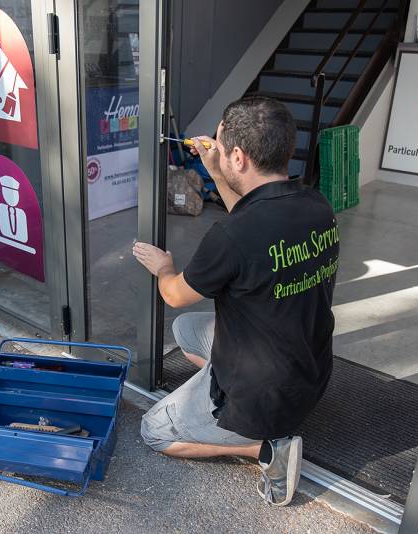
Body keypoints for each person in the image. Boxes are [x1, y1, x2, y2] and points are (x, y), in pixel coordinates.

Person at [132, 95, 340, 506]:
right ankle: (219, 396)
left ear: (240, 157)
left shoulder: (231, 237)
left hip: (266, 393)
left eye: (222, 148)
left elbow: (174, 295)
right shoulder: (316, 205)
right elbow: (250, 224)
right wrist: (215, 172)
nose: (218, 150)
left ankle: (265, 447)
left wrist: (164, 267)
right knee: (187, 331)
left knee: (153, 431)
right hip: (310, 370)